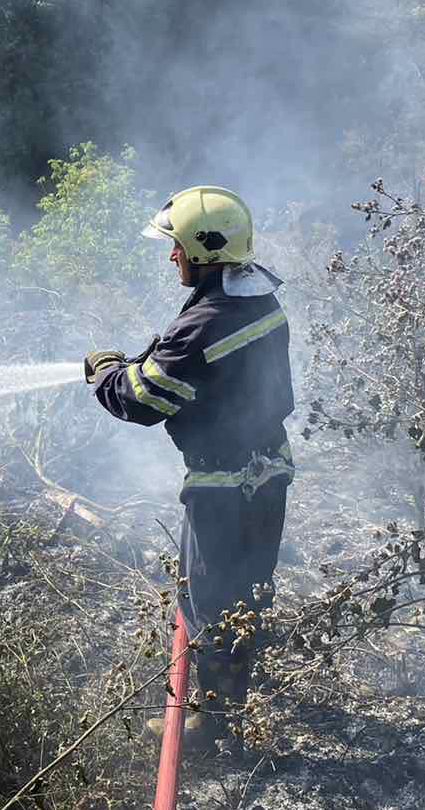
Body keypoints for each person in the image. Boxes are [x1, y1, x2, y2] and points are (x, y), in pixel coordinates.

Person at [84, 185, 294, 744]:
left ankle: (210, 725)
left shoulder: (202, 324)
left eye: (176, 245)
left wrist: (107, 371)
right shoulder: (258, 301)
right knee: (249, 589)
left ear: (203, 251)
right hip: (270, 469)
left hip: (223, 484)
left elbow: (141, 400)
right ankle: (233, 702)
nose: (171, 254)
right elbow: (205, 371)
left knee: (208, 598)